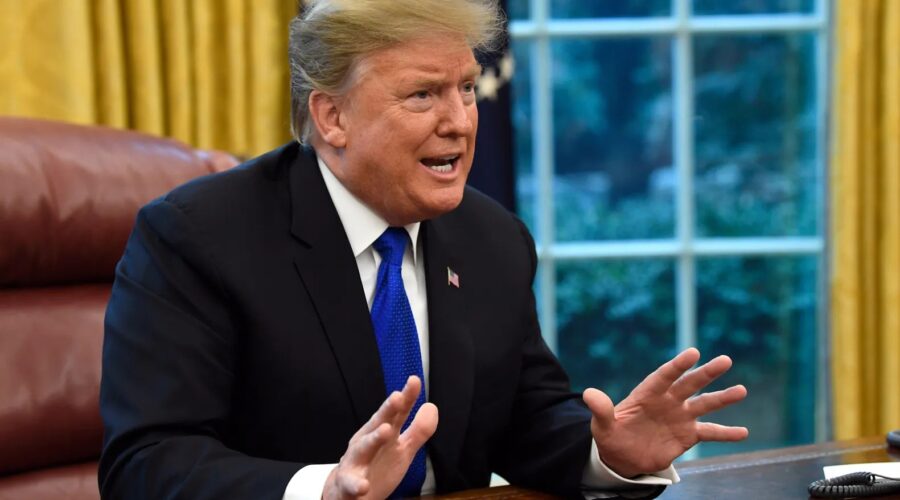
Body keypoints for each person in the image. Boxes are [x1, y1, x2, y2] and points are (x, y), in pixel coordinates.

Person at [98, 0, 749, 498]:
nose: (461, 121)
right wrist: (323, 488)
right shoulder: (197, 238)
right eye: (423, 95)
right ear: (332, 118)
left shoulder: (492, 239)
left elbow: (524, 416)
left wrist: (609, 453)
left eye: (467, 88)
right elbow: (147, 461)